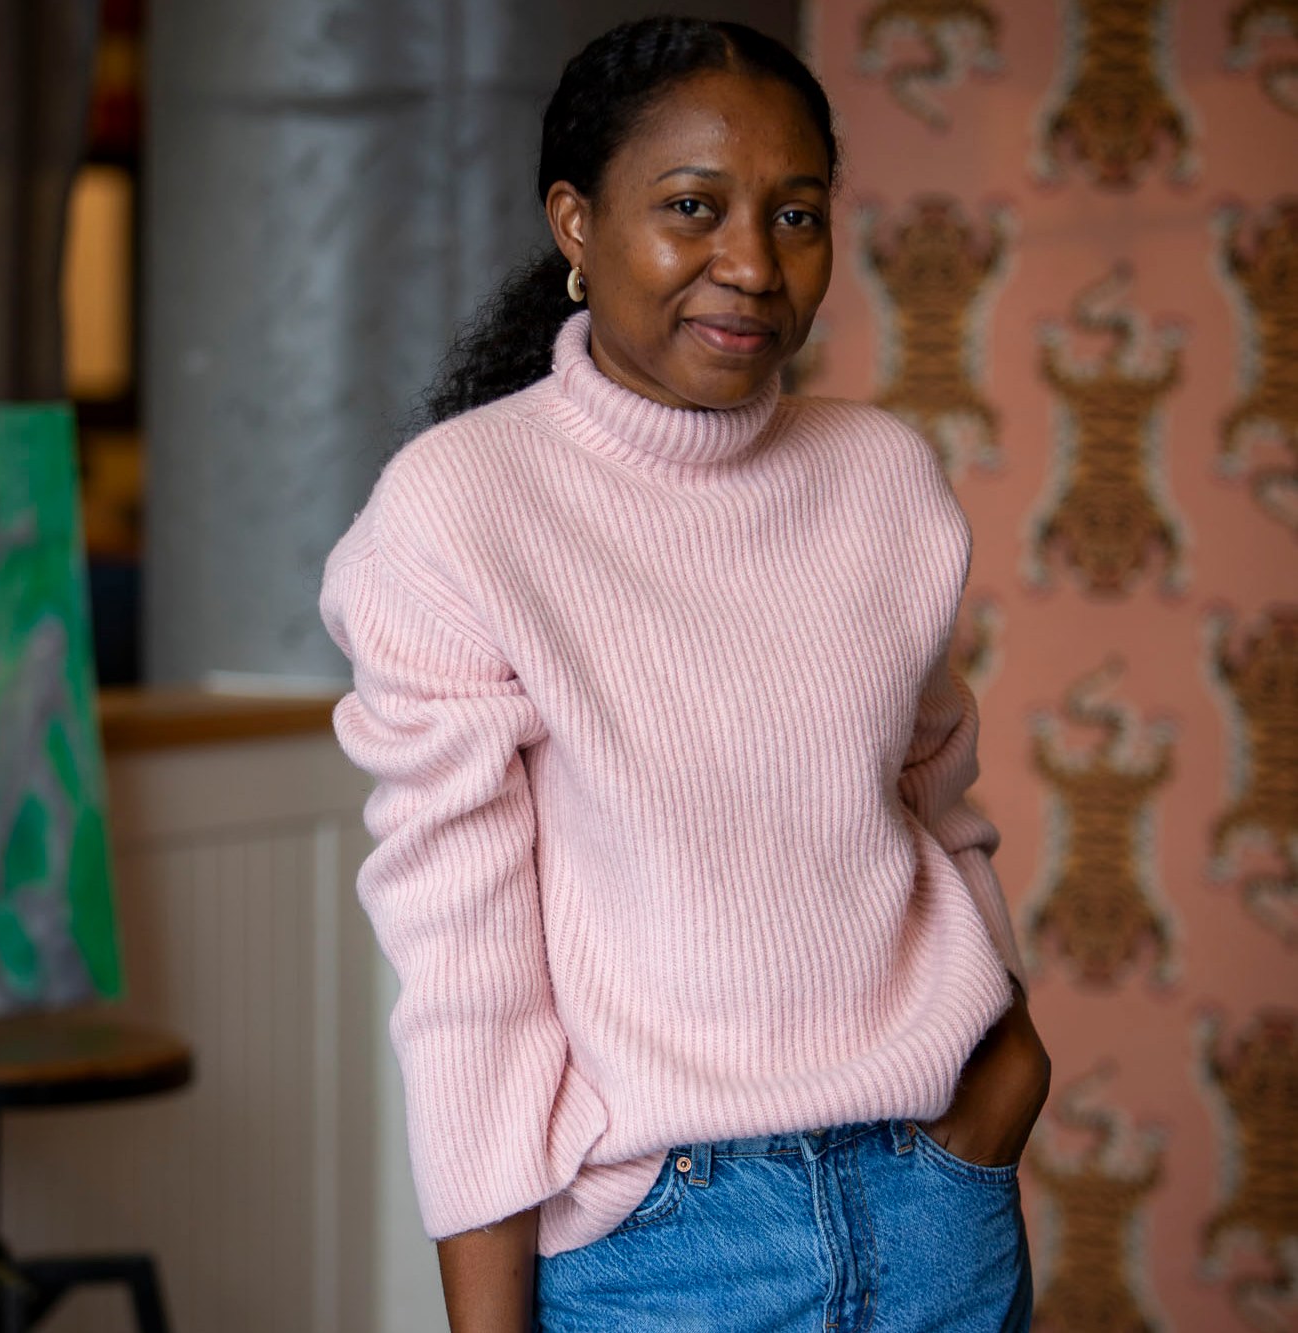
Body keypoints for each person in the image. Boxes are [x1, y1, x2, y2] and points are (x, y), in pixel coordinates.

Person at [319, 16, 1050, 1332]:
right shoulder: (458, 512)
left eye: (796, 215)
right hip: (664, 1256)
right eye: (691, 207)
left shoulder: (882, 478)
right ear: (576, 223)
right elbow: (471, 978)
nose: (753, 265)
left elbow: (937, 804)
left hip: (935, 1211)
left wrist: (1004, 1067)